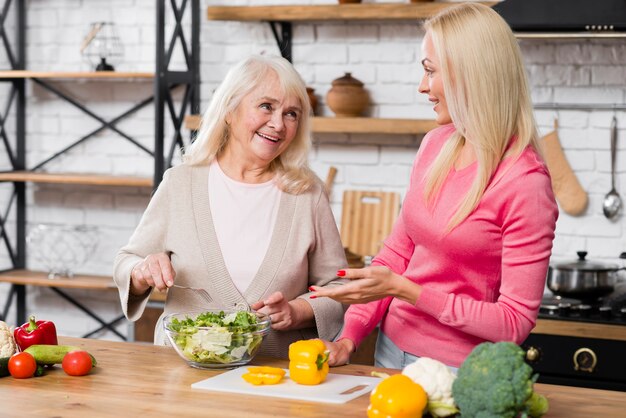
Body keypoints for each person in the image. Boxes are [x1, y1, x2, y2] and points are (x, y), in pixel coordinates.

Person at [311, 3, 558, 369]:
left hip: (462, 370)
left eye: (430, 71)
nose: (422, 86)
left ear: (470, 75)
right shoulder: (436, 145)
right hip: (391, 351)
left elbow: (513, 324)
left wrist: (406, 290)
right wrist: (350, 335)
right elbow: (398, 253)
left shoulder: (525, 182)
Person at [113, 55, 347, 358]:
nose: (278, 124)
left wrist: (298, 311)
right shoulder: (181, 183)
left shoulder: (307, 193)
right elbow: (127, 260)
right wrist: (141, 271)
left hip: (275, 374)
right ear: (229, 110)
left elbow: (338, 288)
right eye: (266, 106)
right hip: (181, 372)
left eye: (291, 114)